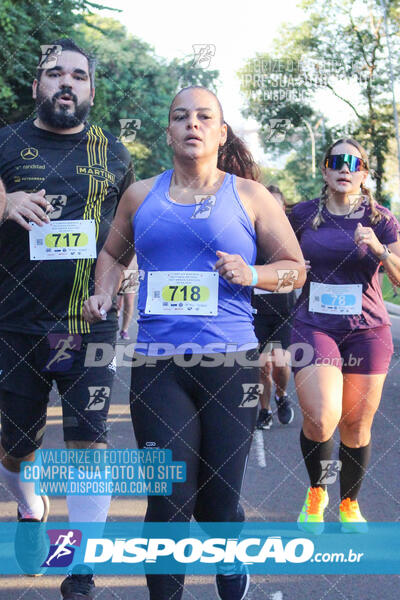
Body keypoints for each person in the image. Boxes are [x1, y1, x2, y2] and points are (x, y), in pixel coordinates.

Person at [83, 85, 306, 600]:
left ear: (220, 133)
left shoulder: (248, 196)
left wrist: (252, 272)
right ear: (168, 131)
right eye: (181, 116)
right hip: (158, 363)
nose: (192, 124)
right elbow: (114, 255)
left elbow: (294, 268)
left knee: (218, 505)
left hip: (229, 362)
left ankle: (231, 569)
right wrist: (103, 293)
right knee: (168, 497)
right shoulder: (140, 194)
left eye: (205, 117)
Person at [0, 38, 133, 596]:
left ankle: (80, 564)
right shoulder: (6, 141)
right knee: (16, 444)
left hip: (87, 320)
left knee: (89, 440)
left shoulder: (115, 154)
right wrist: (5, 204)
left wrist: (124, 274)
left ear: (91, 90)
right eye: (55, 73)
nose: (66, 83)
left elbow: (125, 230)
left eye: (78, 76)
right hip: (14, 319)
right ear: (37, 85)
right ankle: (31, 507)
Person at [289, 139, 400, 534]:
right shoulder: (301, 215)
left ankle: (350, 502)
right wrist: (288, 262)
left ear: (364, 173)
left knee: (356, 425)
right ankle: (317, 492)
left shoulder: (382, 220)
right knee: (321, 417)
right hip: (314, 325)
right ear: (324, 170)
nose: (344, 168)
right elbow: (271, 249)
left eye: (353, 163)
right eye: (336, 161)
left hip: (367, 331)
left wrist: (380, 251)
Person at [253, 185, 296, 430]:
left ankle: (281, 396)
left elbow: (301, 266)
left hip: (283, 313)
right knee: (262, 366)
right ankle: (265, 410)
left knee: (280, 364)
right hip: (256, 312)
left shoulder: (292, 235)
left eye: (276, 203)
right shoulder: (248, 231)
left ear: (283, 207)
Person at [116, 256, 139, 340]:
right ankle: (115, 318)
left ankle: (124, 330)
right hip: (117, 270)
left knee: (129, 301)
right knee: (116, 303)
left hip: (132, 271)